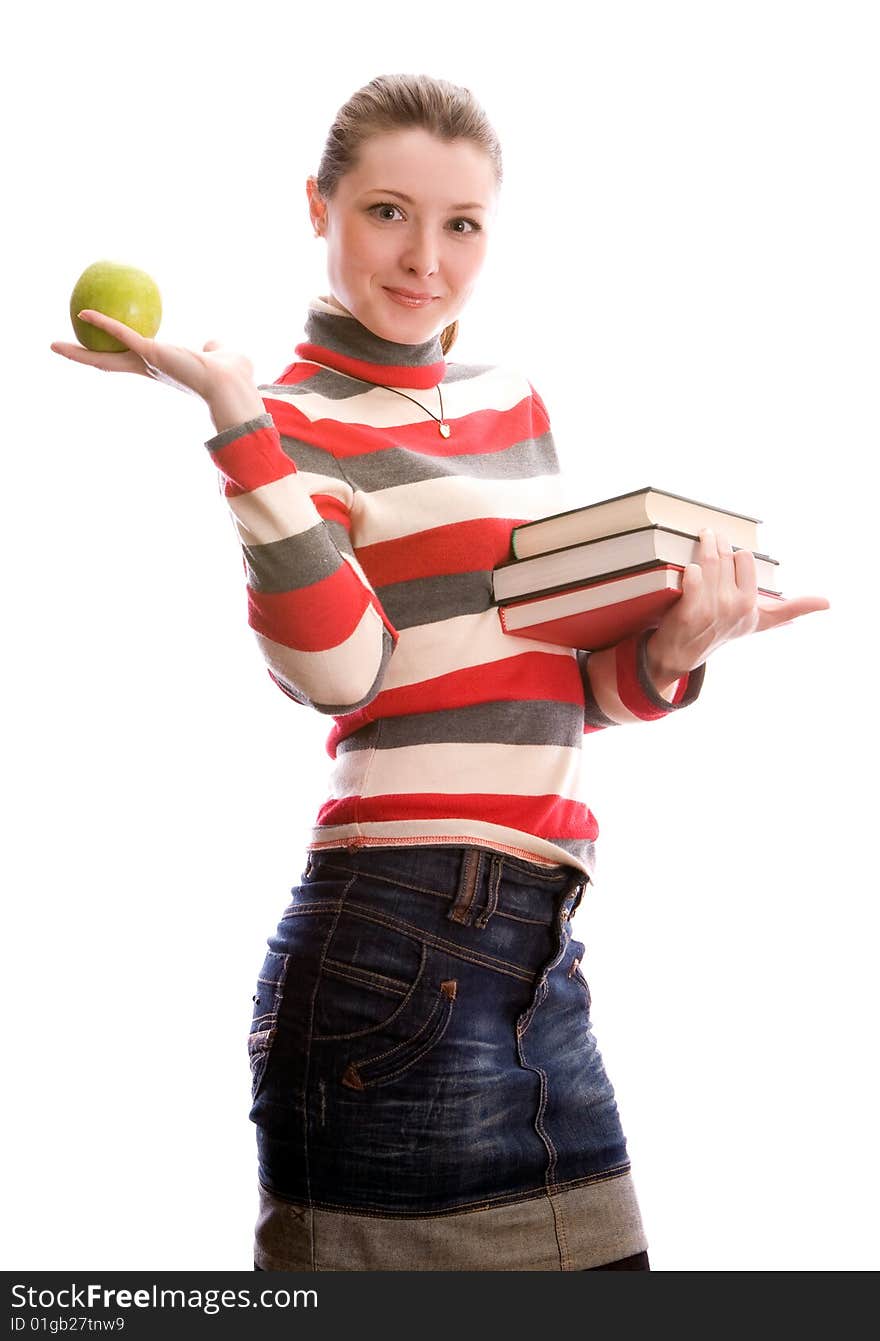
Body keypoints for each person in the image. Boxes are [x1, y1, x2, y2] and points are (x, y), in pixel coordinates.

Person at [50, 72, 830, 1272]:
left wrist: (672, 652)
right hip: (396, 939)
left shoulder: (511, 400)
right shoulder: (287, 415)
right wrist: (233, 424)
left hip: (540, 955)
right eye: (387, 213)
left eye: (461, 224)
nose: (425, 258)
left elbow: (544, 684)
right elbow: (340, 673)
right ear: (319, 206)